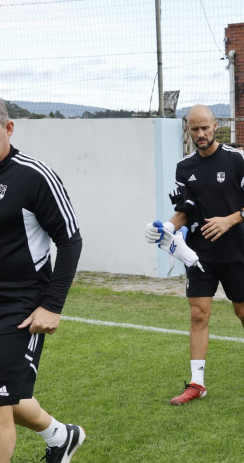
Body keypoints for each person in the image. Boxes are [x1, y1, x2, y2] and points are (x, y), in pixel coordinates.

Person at [144, 104, 244, 405]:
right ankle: (197, 384)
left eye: (205, 127)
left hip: (236, 250)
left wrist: (229, 219)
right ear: (188, 130)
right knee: (198, 313)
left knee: (243, 312)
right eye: (194, 129)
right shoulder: (184, 168)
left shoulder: (236, 158)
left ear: (216, 126)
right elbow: (184, 213)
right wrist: (164, 228)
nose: (201, 134)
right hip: (199, 254)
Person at [0, 99, 85, 463]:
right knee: (8, 397)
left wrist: (52, 305)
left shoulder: (34, 176)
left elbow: (70, 240)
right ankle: (61, 436)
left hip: (20, 306)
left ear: (8, 128)